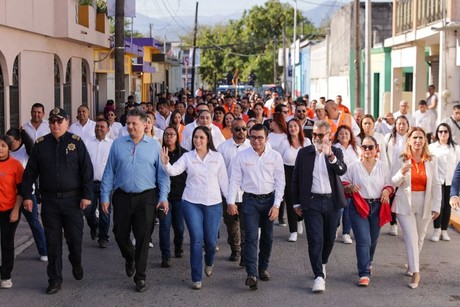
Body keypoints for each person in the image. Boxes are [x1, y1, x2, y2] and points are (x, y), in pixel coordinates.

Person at [21, 107, 94, 294]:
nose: (55, 125)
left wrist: (87, 195)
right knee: (53, 243)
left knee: (75, 240)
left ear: (67, 122)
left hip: (73, 201)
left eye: (59, 121)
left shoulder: (76, 143)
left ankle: (76, 262)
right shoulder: (41, 144)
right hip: (50, 202)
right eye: (52, 121)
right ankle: (54, 279)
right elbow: (29, 174)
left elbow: (87, 171)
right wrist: (27, 196)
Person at [101, 108, 170, 293]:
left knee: (143, 236)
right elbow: (109, 172)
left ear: (145, 124)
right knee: (119, 233)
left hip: (146, 197)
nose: (130, 127)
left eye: (134, 124)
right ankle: (130, 257)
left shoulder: (154, 146)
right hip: (122, 196)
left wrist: (163, 197)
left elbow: (162, 175)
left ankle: (140, 276)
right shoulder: (118, 144)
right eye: (128, 123)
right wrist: (104, 196)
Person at [161, 126, 228, 290]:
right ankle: (196, 277)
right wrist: (166, 163)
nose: (197, 141)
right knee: (197, 240)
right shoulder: (187, 157)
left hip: (213, 203)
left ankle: (209, 261)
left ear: (208, 140)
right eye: (195, 138)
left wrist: (231, 201)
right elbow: (173, 171)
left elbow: (224, 182)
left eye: (201, 138)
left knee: (211, 242)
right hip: (191, 202)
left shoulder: (217, 157)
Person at [227, 124, 285, 290]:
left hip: (269, 200)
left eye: (260, 137)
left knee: (267, 237)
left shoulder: (275, 157)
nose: (256, 141)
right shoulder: (241, 156)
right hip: (250, 201)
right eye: (253, 137)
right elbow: (235, 180)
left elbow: (280, 182)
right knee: (251, 237)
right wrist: (231, 201)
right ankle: (251, 274)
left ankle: (263, 268)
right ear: (248, 137)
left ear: (267, 139)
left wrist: (277, 205)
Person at [292, 120, 347, 293]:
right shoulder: (304, 153)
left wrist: (330, 156)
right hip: (312, 202)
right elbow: (296, 179)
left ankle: (322, 262)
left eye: (320, 135)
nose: (316, 137)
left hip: (332, 202)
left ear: (329, 136)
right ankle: (318, 276)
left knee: (329, 237)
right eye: (314, 134)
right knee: (315, 239)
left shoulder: (336, 151)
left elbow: (341, 170)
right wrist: (296, 202)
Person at [391, 127, 441, 289]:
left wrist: (436, 206)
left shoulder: (432, 159)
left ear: (425, 140)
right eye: (414, 138)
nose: (418, 141)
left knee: (419, 238)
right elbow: (393, 182)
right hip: (405, 203)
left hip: (425, 202)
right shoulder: (401, 158)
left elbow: (436, 184)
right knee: (411, 238)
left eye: (420, 138)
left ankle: (412, 265)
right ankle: (416, 273)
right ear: (409, 140)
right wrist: (401, 173)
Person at [342, 136, 393, 287]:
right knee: (363, 240)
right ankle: (364, 273)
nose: (367, 150)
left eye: (371, 147)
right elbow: (343, 183)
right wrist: (350, 188)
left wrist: (386, 191)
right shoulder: (353, 166)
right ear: (360, 149)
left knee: (373, 239)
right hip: (359, 205)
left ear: (376, 148)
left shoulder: (383, 166)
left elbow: (390, 184)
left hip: (377, 205)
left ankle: (368, 261)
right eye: (364, 147)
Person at [5, 128, 47, 261]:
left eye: (11, 141)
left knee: (34, 223)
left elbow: (32, 148)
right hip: (10, 196)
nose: (9, 144)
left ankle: (44, 250)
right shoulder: (6, 153)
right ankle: (7, 254)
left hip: (27, 195)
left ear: (19, 141)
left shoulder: (26, 151)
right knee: (7, 227)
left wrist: (25, 134)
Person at [217, 118, 251, 264]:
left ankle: (244, 253)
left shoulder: (252, 146)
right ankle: (235, 249)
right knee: (231, 226)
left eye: (244, 128)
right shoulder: (222, 148)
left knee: (246, 225)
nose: (241, 132)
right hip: (228, 193)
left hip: (247, 194)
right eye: (237, 129)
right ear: (231, 130)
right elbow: (219, 172)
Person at [159, 127, 187, 267]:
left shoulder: (185, 154)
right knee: (164, 226)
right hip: (164, 197)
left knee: (179, 226)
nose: (169, 137)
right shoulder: (158, 153)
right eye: (166, 134)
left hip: (180, 195)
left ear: (177, 137)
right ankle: (165, 255)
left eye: (172, 134)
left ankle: (178, 245)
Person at [84, 119, 113, 248]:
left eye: (102, 127)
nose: (99, 129)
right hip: (90, 183)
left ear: (108, 130)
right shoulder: (87, 143)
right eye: (97, 126)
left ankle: (103, 237)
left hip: (106, 184)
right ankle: (94, 225)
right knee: (88, 211)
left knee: (105, 212)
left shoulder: (112, 145)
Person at [428, 123, 460, 241]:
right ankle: (436, 229)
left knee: (447, 206)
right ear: (437, 133)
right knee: (438, 206)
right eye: (440, 131)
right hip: (437, 181)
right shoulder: (431, 147)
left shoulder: (455, 148)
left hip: (450, 181)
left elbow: (458, 165)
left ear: (449, 133)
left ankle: (444, 230)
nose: (443, 134)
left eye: (445, 131)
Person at [0, 135, 24, 289]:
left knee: (6, 243)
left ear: (9, 148)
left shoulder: (15, 165)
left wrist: (16, 210)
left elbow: (21, 191)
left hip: (9, 210)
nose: (0, 148)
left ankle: (6, 276)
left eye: (3, 145)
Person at [281, 119, 311, 242]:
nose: (292, 128)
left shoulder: (307, 141)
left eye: (295, 126)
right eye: (290, 126)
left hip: (303, 173)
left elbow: (311, 159)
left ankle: (300, 220)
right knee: (291, 201)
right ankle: (293, 231)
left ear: (299, 127)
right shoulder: (284, 142)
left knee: (303, 199)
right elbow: (279, 159)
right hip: (288, 172)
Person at [332, 125, 360, 244]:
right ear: (337, 136)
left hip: (351, 182)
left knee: (349, 208)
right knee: (339, 209)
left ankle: (346, 232)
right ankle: (335, 228)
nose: (344, 135)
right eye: (341, 133)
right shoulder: (333, 148)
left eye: (346, 133)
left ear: (350, 136)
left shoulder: (356, 149)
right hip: (337, 182)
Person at [384, 115, 410, 236]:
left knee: (405, 199)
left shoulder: (410, 138)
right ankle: (393, 224)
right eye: (399, 124)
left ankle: (406, 225)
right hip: (391, 173)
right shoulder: (389, 137)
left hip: (405, 174)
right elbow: (383, 155)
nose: (401, 126)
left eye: (404, 124)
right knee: (392, 199)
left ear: (407, 125)